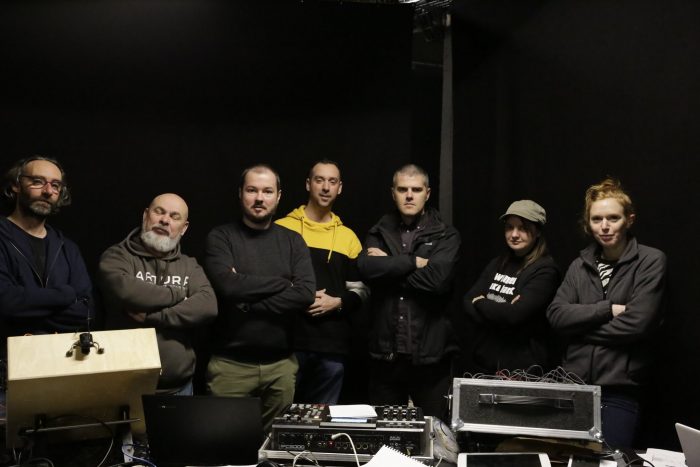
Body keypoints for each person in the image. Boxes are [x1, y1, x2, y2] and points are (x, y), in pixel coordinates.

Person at [547, 178, 666, 448]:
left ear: (629, 220)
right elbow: (556, 315)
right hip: (574, 387)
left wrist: (579, 330)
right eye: (597, 219)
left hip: (620, 389)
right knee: (567, 460)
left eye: (613, 218)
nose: (605, 226)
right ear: (587, 224)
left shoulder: (650, 261)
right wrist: (608, 309)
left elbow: (638, 324)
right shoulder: (579, 266)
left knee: (610, 459)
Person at [204, 164, 315, 431]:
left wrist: (245, 300)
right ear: (240, 193)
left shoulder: (293, 241)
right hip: (229, 366)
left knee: (274, 447)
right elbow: (228, 287)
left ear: (278, 196)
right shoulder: (221, 237)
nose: (259, 198)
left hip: (281, 367)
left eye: (267, 191)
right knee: (223, 443)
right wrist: (283, 284)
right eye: (252, 190)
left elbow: (304, 293)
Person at [357, 164, 460, 420]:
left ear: (428, 193)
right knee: (385, 434)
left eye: (416, 189)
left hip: (430, 357)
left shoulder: (446, 235)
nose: (409, 195)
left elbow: (437, 281)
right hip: (385, 356)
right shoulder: (379, 231)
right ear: (393, 193)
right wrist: (413, 262)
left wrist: (389, 267)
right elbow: (367, 269)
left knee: (434, 433)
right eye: (403, 189)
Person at [98, 193, 217, 395]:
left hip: (179, 388)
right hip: (124, 388)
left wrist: (156, 316)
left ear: (184, 228)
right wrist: (178, 294)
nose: (165, 220)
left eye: (174, 216)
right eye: (159, 212)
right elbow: (126, 291)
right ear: (146, 215)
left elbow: (208, 306)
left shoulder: (189, 265)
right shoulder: (117, 256)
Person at [276, 160, 368, 404]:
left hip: (332, 349)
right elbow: (266, 281)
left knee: (321, 422)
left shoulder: (348, 237)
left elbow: (361, 291)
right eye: (319, 180)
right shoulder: (281, 229)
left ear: (340, 188)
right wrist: (298, 295)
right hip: (287, 344)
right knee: (281, 419)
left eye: (332, 181)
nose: (326, 187)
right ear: (308, 184)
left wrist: (337, 303)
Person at [0, 156, 93, 347]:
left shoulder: (68, 248)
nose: (48, 191)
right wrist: (66, 295)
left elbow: (86, 312)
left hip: (60, 357)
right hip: (7, 357)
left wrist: (27, 312)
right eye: (37, 181)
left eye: (55, 185)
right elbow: (5, 302)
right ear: (16, 185)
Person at [464, 200, 560, 373]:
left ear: (538, 231)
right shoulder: (497, 263)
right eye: (509, 227)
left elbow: (514, 315)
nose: (514, 234)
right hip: (485, 365)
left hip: (523, 371)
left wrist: (480, 303)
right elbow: (466, 301)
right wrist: (503, 313)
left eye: (523, 228)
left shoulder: (545, 270)